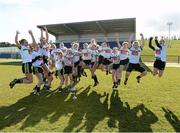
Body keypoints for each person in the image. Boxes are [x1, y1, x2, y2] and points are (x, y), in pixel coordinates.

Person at [39, 27, 53, 91]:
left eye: (44, 39)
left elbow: (47, 37)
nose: (44, 40)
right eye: (42, 39)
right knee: (49, 75)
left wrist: (46, 30)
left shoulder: (47, 44)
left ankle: (45, 84)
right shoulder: (41, 45)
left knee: (47, 74)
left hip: (48, 60)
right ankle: (46, 85)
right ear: (41, 40)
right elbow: (42, 37)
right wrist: (42, 31)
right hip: (43, 61)